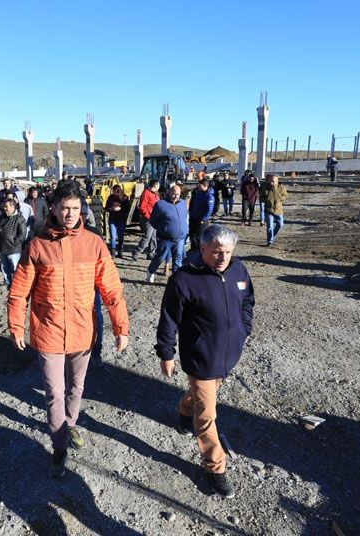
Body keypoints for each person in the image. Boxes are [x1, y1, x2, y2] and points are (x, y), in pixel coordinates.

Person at [8, 180, 129, 477]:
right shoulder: (38, 246)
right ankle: (59, 446)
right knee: (54, 392)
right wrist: (16, 325)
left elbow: (111, 289)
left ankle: (70, 425)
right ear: (54, 209)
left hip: (82, 331)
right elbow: (19, 290)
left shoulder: (93, 243)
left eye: (76, 208)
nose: (71, 214)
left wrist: (120, 326)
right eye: (65, 208)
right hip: (48, 331)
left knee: (76, 387)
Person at [156, 224, 254, 499]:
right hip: (200, 357)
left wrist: (244, 328)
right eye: (217, 252)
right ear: (202, 249)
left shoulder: (238, 270)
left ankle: (184, 412)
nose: (224, 258)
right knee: (208, 414)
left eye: (229, 252)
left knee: (202, 396)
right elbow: (169, 319)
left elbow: (248, 300)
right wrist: (166, 353)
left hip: (229, 354)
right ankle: (215, 469)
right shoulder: (184, 279)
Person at [146, 184, 188, 283]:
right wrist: (164, 229)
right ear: (169, 192)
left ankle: (176, 280)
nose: (175, 196)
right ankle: (150, 271)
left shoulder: (182, 203)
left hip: (180, 238)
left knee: (178, 260)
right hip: (165, 239)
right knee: (160, 258)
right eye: (174, 193)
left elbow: (184, 216)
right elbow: (153, 221)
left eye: (178, 194)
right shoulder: (160, 204)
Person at [0, 197, 27, 287]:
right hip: (3, 247)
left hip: (14, 249)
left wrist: (13, 243)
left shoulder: (20, 219)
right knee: (4, 268)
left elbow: (22, 234)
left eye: (6, 206)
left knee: (15, 268)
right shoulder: (3, 217)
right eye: (4, 206)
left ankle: (17, 284)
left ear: (13, 207)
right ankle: (7, 283)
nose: (5, 208)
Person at [132, 179, 161, 262]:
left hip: (155, 219)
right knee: (147, 236)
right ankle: (137, 252)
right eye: (158, 186)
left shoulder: (156, 194)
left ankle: (151, 253)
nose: (159, 187)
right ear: (155, 186)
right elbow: (142, 207)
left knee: (154, 237)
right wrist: (149, 217)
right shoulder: (146, 193)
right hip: (149, 219)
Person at [261, 174, 288, 246]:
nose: (271, 183)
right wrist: (266, 200)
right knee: (269, 226)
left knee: (280, 224)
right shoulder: (266, 188)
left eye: (273, 181)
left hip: (278, 210)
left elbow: (285, 195)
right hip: (268, 210)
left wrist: (281, 199)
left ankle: (272, 235)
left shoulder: (281, 188)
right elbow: (261, 197)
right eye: (270, 181)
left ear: (277, 181)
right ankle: (270, 241)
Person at [104, 184, 130, 258]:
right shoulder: (110, 198)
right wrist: (111, 209)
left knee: (121, 236)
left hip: (121, 219)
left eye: (117, 191)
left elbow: (127, 208)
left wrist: (120, 209)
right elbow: (106, 208)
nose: (116, 193)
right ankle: (113, 252)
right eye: (114, 191)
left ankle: (120, 252)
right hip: (113, 219)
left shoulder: (124, 197)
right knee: (113, 236)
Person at [188, 179, 215, 251]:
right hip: (194, 217)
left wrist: (204, 219)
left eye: (200, 186)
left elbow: (209, 210)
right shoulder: (198, 193)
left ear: (205, 186)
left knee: (200, 236)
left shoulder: (209, 196)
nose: (198, 187)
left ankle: (200, 251)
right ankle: (193, 248)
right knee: (192, 234)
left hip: (202, 220)